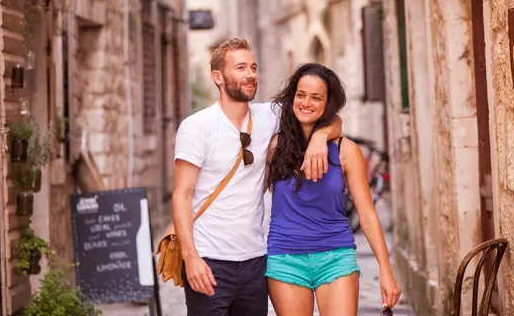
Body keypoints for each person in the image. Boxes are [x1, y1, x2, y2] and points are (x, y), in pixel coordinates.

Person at [171, 38, 342, 316]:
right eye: (240, 68)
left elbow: (324, 115)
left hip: (254, 262)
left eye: (253, 67)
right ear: (218, 77)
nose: (250, 74)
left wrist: (322, 136)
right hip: (209, 260)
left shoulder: (269, 116)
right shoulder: (196, 127)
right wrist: (191, 259)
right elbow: (181, 195)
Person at [265, 63, 401, 316]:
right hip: (285, 258)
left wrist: (385, 270)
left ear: (327, 104)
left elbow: (368, 213)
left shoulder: (346, 150)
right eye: (301, 95)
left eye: (316, 97)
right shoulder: (274, 147)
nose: (306, 103)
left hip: (336, 257)